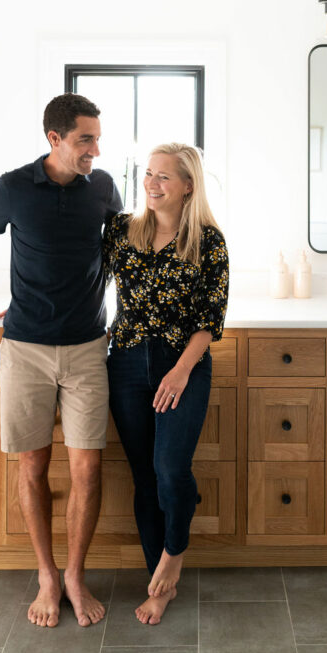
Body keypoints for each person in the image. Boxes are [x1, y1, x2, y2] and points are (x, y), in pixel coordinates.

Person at [0, 93, 122, 629]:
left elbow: (121, 252)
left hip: (87, 347)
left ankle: (75, 575)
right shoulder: (13, 186)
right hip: (25, 349)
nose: (95, 150)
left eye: (97, 139)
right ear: (55, 139)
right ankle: (46, 574)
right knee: (33, 466)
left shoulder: (103, 187)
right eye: (85, 140)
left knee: (88, 468)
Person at [104, 142, 229, 625]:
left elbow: (211, 319)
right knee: (145, 477)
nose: (151, 184)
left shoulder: (208, 242)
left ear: (188, 186)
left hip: (184, 366)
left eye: (163, 176)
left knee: (171, 470)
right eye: (148, 173)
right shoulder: (123, 231)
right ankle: (157, 581)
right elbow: (79, 275)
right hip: (126, 364)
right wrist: (28, 304)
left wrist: (180, 371)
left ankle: (173, 558)